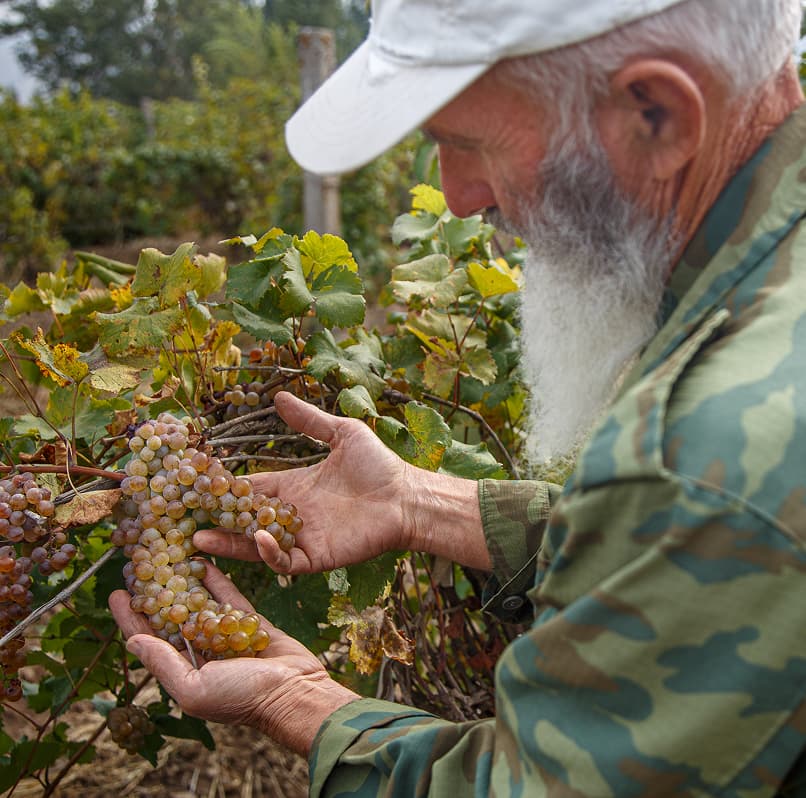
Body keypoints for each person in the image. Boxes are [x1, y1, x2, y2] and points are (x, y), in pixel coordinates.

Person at [110, 0, 806, 794]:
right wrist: (417, 501)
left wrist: (295, 700)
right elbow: (717, 544)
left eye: (465, 144)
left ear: (659, 115)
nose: (459, 195)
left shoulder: (710, 445)